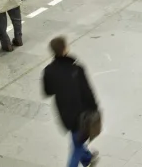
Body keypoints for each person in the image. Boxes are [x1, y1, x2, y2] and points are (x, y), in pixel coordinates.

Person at [42, 36, 100, 167]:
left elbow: (48, 91)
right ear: (65, 49)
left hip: (64, 112)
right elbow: (87, 91)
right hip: (80, 113)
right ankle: (85, 159)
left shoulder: (49, 70)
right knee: (76, 147)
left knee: (76, 140)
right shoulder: (76, 69)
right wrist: (95, 108)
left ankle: (87, 158)